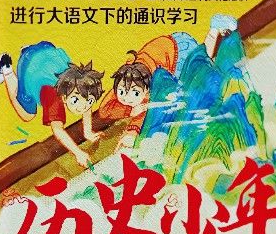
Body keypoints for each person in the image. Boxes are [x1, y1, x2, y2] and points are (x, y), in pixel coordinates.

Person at [98, 16, 235, 148]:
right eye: (121, 92)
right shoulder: (126, 79)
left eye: (135, 94)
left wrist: (132, 131)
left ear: (145, 90)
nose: (127, 98)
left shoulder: (150, 83)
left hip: (177, 52)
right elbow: (104, 110)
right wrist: (129, 111)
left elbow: (147, 111)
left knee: (199, 67)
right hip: (165, 48)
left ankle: (214, 28)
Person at [0, 46, 104, 168]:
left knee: (84, 99)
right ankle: (6, 69)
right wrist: (78, 153)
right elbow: (57, 129)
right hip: (29, 64)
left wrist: (87, 131)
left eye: (89, 101)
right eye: (75, 101)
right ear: (64, 97)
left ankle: (29, 50)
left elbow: (86, 102)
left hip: (45, 50)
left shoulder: (78, 82)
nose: (82, 107)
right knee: (28, 115)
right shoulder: (53, 97)